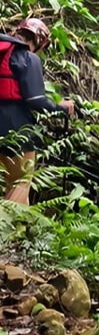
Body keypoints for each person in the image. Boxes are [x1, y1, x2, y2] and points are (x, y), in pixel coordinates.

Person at [0, 18, 75, 205]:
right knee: (21, 182)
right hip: (16, 128)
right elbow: (36, 101)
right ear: (39, 42)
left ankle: (18, 230)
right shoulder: (27, 57)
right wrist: (61, 107)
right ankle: (8, 232)